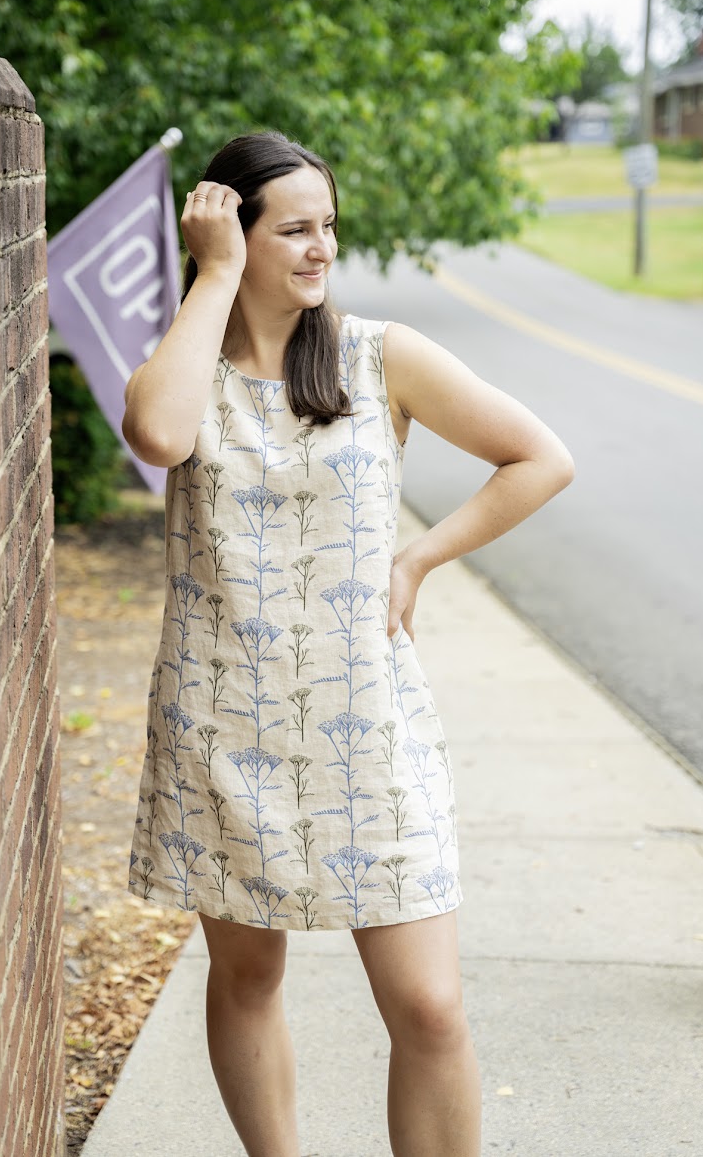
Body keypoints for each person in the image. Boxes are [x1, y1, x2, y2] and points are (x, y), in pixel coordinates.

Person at [121, 129, 575, 1157]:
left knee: (427, 1006)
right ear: (233, 234)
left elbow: (538, 458)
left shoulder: (380, 355)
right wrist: (214, 278)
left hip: (366, 729)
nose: (320, 247)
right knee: (248, 976)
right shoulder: (190, 353)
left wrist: (417, 559)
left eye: (327, 224)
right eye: (293, 229)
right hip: (222, 722)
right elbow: (156, 434)